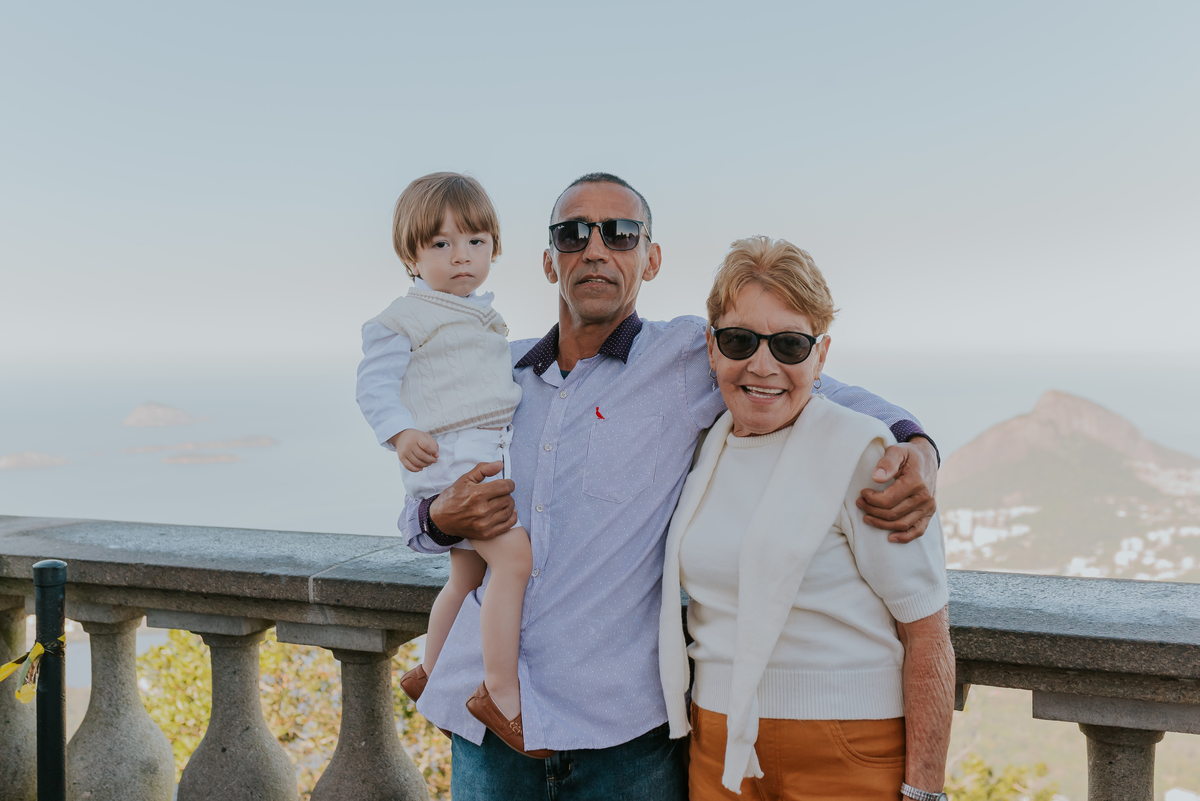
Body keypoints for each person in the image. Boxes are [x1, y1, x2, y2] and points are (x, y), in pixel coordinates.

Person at [398, 173, 943, 801]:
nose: (596, 249)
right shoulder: (491, 375)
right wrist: (441, 516)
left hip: (625, 743)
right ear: (550, 262)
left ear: (649, 259)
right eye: (574, 234)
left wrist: (916, 442)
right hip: (487, 731)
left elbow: (809, 378)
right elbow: (418, 507)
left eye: (621, 234)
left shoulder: (689, 359)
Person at [659, 236, 953, 800]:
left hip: (848, 750)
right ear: (712, 346)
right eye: (740, 340)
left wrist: (925, 793)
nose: (762, 365)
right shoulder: (703, 452)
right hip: (717, 748)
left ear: (820, 355)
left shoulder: (865, 454)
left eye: (790, 345)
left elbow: (927, 633)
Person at [356, 172, 546, 756]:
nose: (461, 256)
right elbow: (373, 384)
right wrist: (399, 431)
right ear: (411, 254)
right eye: (441, 244)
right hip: (453, 454)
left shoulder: (473, 313)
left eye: (476, 241)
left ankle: (430, 671)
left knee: (466, 574)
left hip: (478, 447)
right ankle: (501, 694)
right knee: (513, 560)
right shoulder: (403, 317)